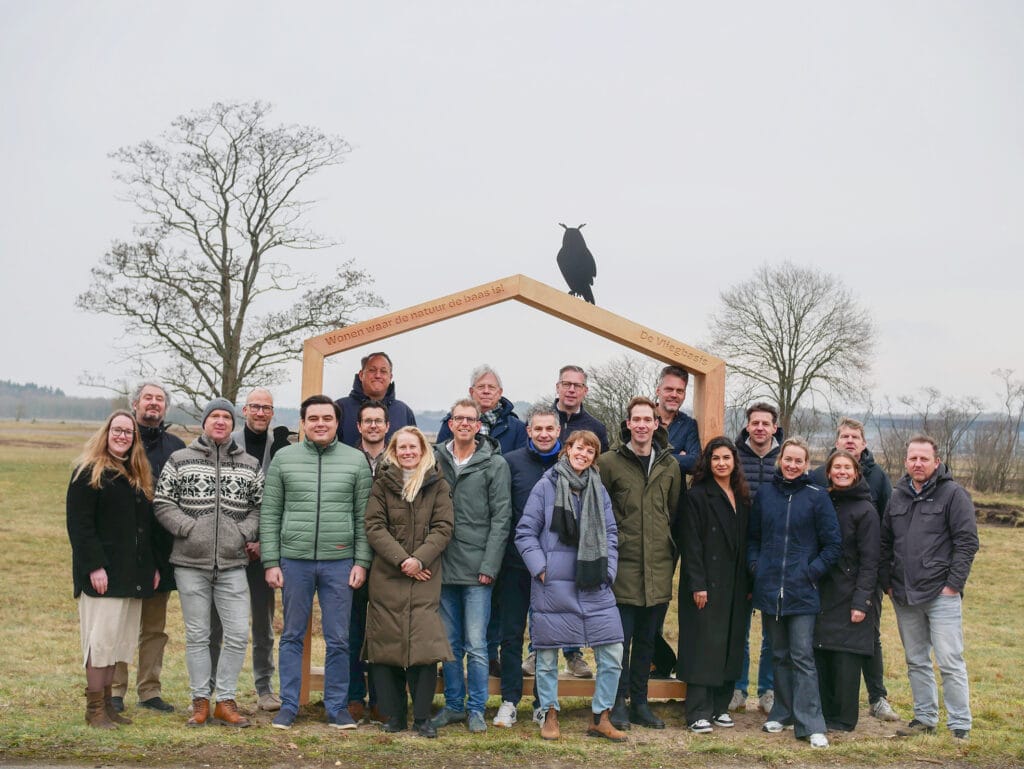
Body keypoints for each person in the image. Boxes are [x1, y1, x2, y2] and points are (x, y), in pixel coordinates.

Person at [260, 395, 372, 730]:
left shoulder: (355, 461)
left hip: (340, 561)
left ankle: (337, 707)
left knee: (339, 638)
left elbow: (363, 517)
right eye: (313, 418)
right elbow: (270, 512)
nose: (320, 423)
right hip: (294, 561)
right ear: (303, 423)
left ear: (337, 422)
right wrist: (270, 560)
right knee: (292, 635)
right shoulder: (284, 458)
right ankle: (289, 706)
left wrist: (361, 561)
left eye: (327, 418)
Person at [154, 398, 263, 728]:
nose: (219, 422)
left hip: (232, 564)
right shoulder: (180, 459)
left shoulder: (249, 463)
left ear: (233, 424)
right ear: (204, 422)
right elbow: (162, 502)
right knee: (199, 635)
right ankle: (200, 701)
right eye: (214, 416)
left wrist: (242, 532)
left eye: (226, 417)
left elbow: (260, 507)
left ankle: (226, 700)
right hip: (190, 563)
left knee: (237, 633)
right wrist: (188, 528)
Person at [515, 430, 626, 742]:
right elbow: (525, 532)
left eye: (590, 451)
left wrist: (610, 569)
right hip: (553, 585)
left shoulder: (598, 489)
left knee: (613, 651)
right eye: (579, 447)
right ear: (567, 450)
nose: (584, 454)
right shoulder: (546, 486)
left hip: (594, 583)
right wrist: (541, 569)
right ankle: (549, 713)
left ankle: (600, 716)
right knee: (547, 655)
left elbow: (612, 532)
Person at [880, 435, 979, 741]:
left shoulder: (953, 495)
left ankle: (960, 725)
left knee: (950, 660)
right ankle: (925, 717)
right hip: (904, 594)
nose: (918, 464)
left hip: (940, 594)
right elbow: (884, 543)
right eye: (913, 459)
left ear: (937, 462)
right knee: (916, 659)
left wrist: (953, 585)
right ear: (906, 462)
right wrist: (888, 583)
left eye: (924, 459)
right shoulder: (897, 496)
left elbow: (967, 543)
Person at [67, 410, 160, 728]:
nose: (123, 436)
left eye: (129, 432)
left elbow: (143, 529)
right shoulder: (88, 472)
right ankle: (94, 710)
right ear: (106, 433)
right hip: (102, 575)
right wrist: (94, 566)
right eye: (117, 430)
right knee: (100, 642)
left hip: (130, 575)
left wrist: (150, 567)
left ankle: (107, 706)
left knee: (117, 644)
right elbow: (80, 527)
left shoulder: (135, 474)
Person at [747, 436, 841, 749]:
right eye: (788, 459)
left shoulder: (817, 497)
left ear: (806, 465)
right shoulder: (766, 494)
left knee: (802, 656)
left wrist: (811, 572)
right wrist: (756, 567)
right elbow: (754, 538)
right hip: (771, 588)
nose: (792, 465)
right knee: (778, 654)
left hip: (803, 592)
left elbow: (832, 545)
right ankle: (782, 712)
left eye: (799, 461)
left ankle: (811, 723)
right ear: (780, 460)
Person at [363, 427, 454, 738]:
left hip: (425, 574)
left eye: (413, 447)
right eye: (402, 447)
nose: (407, 452)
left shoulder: (437, 483)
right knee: (386, 646)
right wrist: (403, 560)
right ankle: (396, 716)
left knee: (424, 647)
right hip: (388, 573)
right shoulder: (382, 484)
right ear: (394, 450)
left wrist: (419, 560)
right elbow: (374, 526)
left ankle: (422, 718)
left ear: (422, 449)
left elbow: (443, 527)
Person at [598, 396, 682, 731]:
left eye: (649, 419)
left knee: (648, 640)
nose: (643, 425)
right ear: (628, 424)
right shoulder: (609, 463)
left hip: (658, 570)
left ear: (657, 424)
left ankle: (641, 703)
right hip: (622, 569)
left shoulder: (670, 466)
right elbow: (598, 514)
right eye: (637, 420)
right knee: (620, 642)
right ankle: (617, 702)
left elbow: (673, 516)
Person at [809, 417, 898, 722]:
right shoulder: (819, 478)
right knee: (824, 642)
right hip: (827, 579)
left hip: (862, 575)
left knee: (867, 637)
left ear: (863, 444)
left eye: (855, 437)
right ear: (836, 443)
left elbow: (886, 527)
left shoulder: (878, 480)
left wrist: (874, 583)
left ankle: (877, 696)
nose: (849, 441)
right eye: (844, 436)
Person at [431, 398, 512, 734]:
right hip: (443, 564)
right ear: (450, 423)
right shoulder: (434, 459)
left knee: (477, 644)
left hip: (478, 567)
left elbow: (501, 518)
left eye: (471, 419)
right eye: (458, 418)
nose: (464, 423)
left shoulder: (494, 464)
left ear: (479, 425)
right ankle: (453, 705)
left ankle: (476, 707)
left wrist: (490, 565)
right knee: (449, 643)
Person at [208, 388, 289, 712]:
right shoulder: (227, 444)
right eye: (255, 406)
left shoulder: (281, 449)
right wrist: (237, 538)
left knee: (263, 624)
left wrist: (266, 544)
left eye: (266, 408)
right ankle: (209, 688)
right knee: (216, 623)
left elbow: (283, 503)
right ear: (244, 410)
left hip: (263, 552)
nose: (260, 412)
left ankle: (264, 687)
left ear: (272, 413)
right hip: (227, 550)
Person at [110, 381, 184, 714]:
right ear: (135, 404)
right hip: (125, 551)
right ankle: (114, 689)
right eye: (147, 398)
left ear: (165, 407)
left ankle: (149, 690)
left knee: (154, 628)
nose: (153, 404)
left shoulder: (176, 447)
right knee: (121, 624)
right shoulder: (122, 441)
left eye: (159, 399)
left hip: (163, 551)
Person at [494, 406, 566, 728]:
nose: (544, 434)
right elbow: (502, 513)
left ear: (558, 430)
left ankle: (544, 702)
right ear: (528, 430)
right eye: (538, 428)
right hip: (515, 564)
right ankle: (510, 700)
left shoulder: (569, 465)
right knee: (511, 635)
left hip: (554, 569)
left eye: (550, 428)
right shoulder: (510, 463)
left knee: (547, 639)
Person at [676, 436, 751, 734]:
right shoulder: (697, 496)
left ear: (734, 462)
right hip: (705, 582)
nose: (721, 463)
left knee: (731, 643)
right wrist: (698, 584)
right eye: (716, 458)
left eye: (726, 458)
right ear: (708, 462)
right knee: (703, 644)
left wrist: (748, 583)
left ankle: (720, 706)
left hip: (735, 583)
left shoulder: (742, 495)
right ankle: (697, 711)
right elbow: (690, 544)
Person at [813, 450, 879, 732]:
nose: (841, 471)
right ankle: (826, 714)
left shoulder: (866, 510)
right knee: (823, 653)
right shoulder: (823, 500)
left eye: (847, 468)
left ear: (856, 473)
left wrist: (861, 601)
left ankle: (844, 718)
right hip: (823, 591)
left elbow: (870, 560)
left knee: (846, 657)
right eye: (836, 467)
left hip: (851, 592)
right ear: (828, 472)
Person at [731, 401, 782, 714]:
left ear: (775, 427)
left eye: (766, 423)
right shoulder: (734, 457)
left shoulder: (785, 458)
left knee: (772, 630)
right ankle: (737, 689)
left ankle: (768, 691)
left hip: (775, 553)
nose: (760, 428)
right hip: (739, 551)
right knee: (739, 628)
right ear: (747, 425)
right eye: (755, 423)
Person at [347, 399, 390, 722]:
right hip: (350, 556)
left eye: (379, 421)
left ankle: (381, 696)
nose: (373, 426)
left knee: (382, 630)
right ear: (359, 426)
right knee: (352, 629)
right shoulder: (347, 459)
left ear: (387, 426)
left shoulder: (400, 459)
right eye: (368, 421)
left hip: (388, 559)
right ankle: (352, 695)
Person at [436, 365, 528, 455]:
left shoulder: (517, 428)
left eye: (491, 387)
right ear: (471, 392)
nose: (486, 391)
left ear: (499, 393)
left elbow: (521, 463)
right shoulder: (454, 423)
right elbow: (439, 458)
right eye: (481, 387)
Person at [335, 351, 417, 447]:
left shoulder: (404, 411)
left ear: (390, 377)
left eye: (383, 371)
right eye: (372, 370)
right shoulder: (340, 408)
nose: (378, 375)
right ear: (361, 375)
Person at [654, 365, 700, 475]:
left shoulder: (689, 425)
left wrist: (655, 457)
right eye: (669, 389)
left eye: (679, 391)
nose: (674, 395)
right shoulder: (641, 418)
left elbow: (696, 463)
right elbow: (635, 457)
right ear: (658, 391)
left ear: (684, 395)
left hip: (675, 491)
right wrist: (679, 458)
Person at [552, 364, 609, 451]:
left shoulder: (597, 428)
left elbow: (600, 463)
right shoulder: (537, 422)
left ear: (585, 391)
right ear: (557, 387)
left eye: (577, 385)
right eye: (566, 384)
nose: (571, 390)